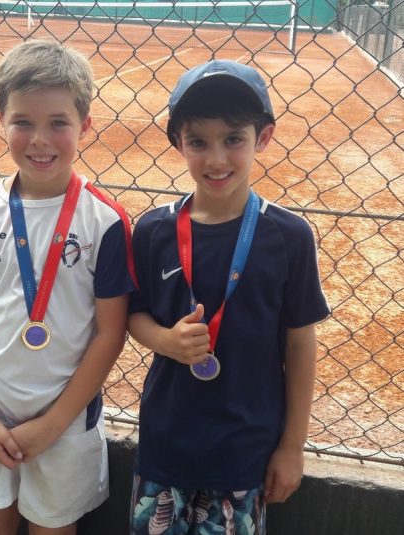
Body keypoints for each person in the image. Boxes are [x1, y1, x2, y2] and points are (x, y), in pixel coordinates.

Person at [0, 39, 136, 535]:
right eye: (23, 122)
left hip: (65, 421)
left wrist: (53, 424)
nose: (40, 139)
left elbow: (110, 332)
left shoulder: (105, 221)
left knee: (53, 527)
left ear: (85, 125)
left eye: (58, 123)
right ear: (1, 120)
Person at [128, 60, 330, 534]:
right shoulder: (154, 230)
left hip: (245, 452)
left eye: (233, 139)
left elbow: (300, 343)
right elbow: (134, 314)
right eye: (198, 142)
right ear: (178, 142)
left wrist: (292, 447)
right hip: (165, 444)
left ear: (263, 137)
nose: (216, 160)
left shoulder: (289, 236)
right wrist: (164, 340)